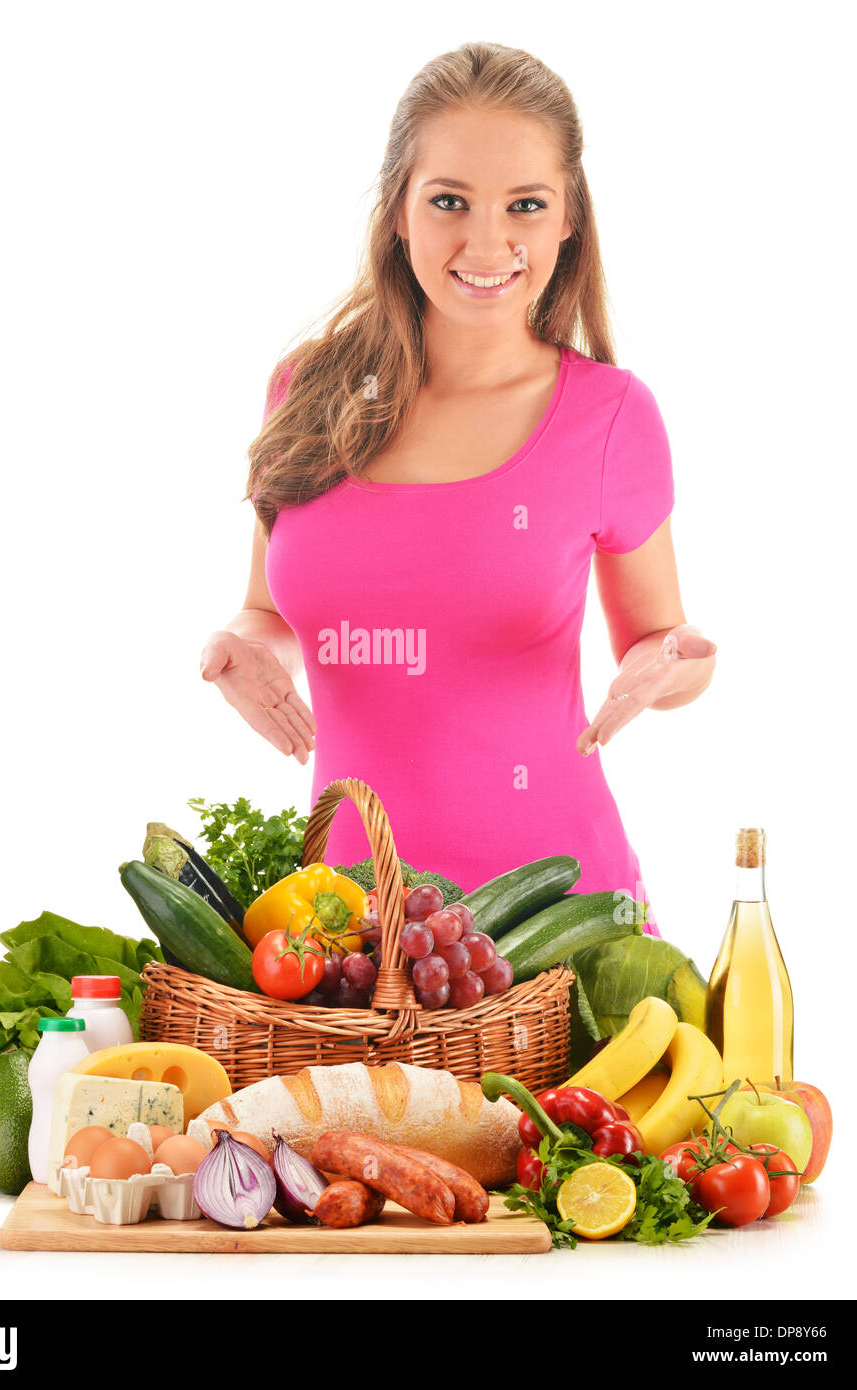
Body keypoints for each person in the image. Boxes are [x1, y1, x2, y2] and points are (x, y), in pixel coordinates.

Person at [200, 41, 716, 932]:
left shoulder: (608, 416)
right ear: (399, 210)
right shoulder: (310, 393)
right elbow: (272, 615)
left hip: (556, 916)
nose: (486, 243)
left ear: (567, 221)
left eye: (525, 204)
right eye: (449, 202)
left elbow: (660, 643)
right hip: (342, 918)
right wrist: (241, 651)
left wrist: (671, 667)